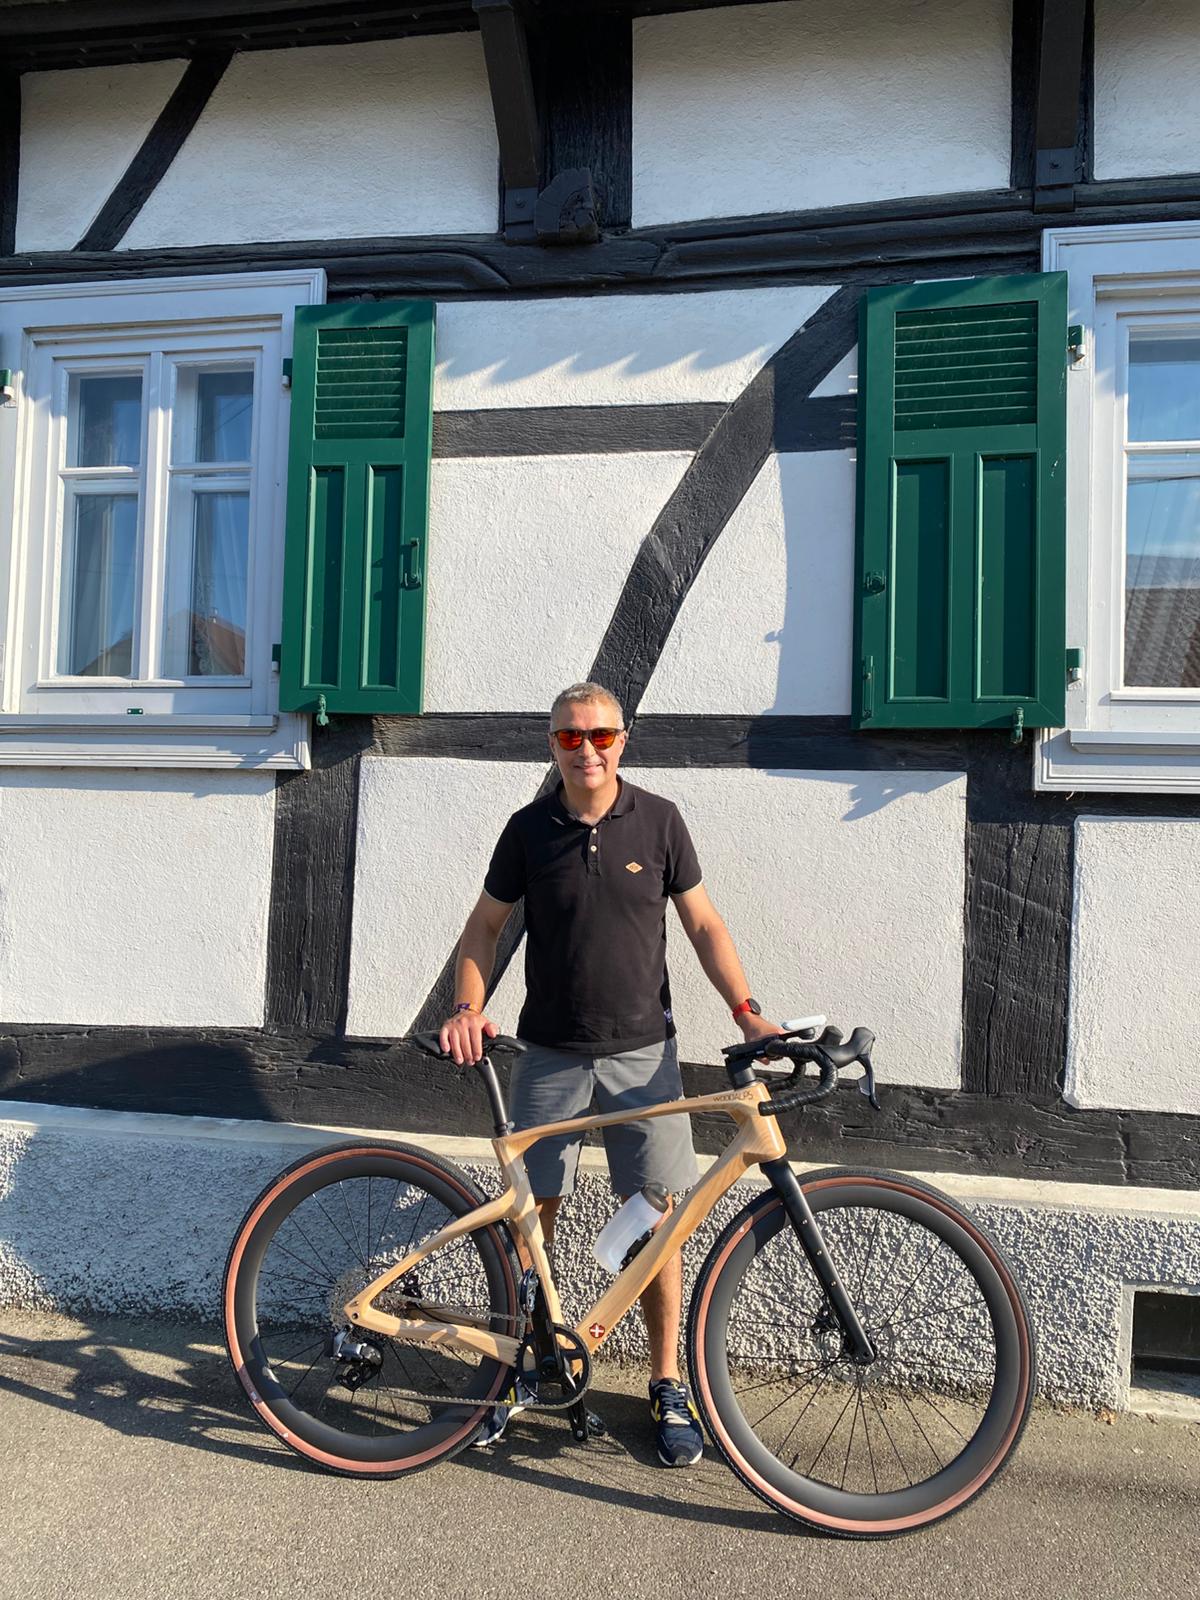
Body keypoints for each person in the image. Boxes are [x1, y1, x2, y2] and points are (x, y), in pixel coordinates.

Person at [438, 680, 781, 1467]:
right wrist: (467, 1006)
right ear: (551, 744)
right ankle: (525, 1368)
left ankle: (667, 1384)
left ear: (623, 739)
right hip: (548, 1053)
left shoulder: (659, 820)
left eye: (600, 735)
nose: (586, 749)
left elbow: (703, 923)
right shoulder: (528, 829)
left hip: (644, 1056)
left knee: (659, 1225)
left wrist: (747, 1010)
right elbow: (485, 928)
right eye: (568, 737)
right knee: (533, 1222)